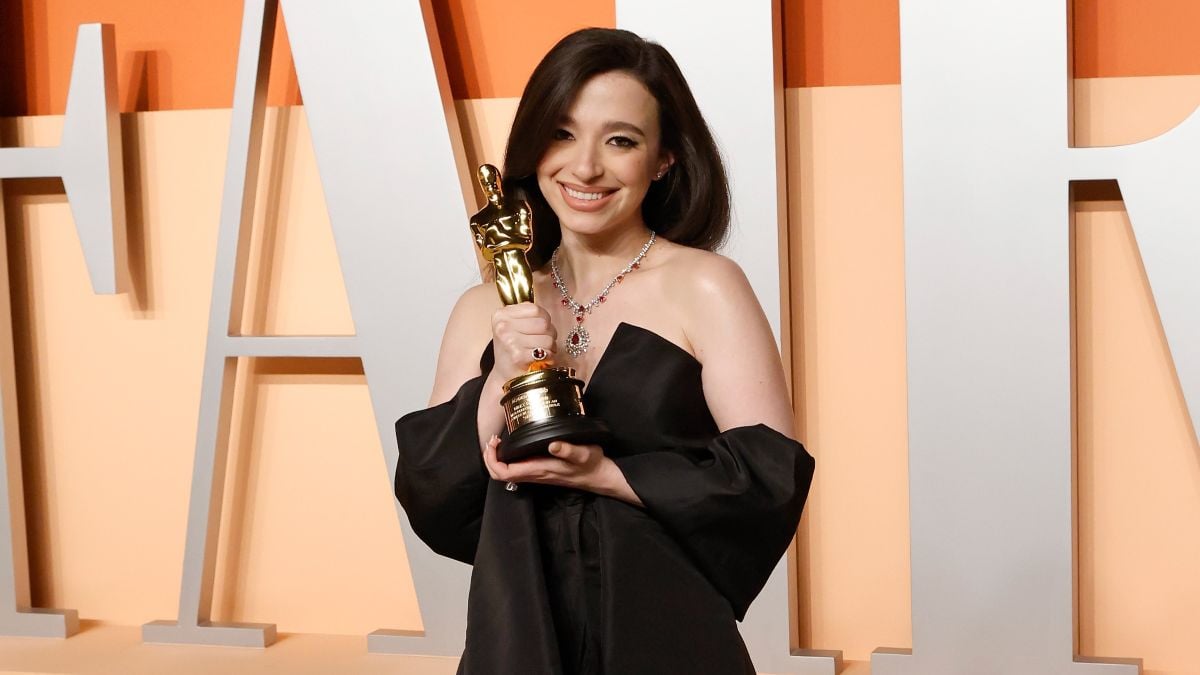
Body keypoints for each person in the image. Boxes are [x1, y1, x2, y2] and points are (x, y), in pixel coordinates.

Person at [394, 27, 814, 675]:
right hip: (518, 641)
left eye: (620, 140)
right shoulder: (485, 307)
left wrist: (607, 475)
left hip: (670, 639)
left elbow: (769, 475)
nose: (585, 166)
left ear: (665, 158)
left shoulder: (705, 286)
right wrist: (500, 377)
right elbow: (433, 492)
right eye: (562, 134)